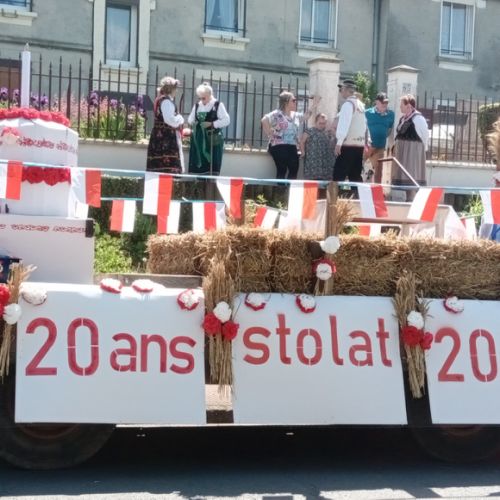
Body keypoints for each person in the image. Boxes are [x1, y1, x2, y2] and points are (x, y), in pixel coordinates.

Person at [187, 82, 230, 175]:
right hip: (199, 139)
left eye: (204, 98)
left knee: (212, 165)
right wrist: (196, 123)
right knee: (200, 166)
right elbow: (190, 119)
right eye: (200, 98)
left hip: (213, 139)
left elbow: (227, 120)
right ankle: (199, 183)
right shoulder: (197, 106)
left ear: (210, 94)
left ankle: (212, 183)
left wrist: (212, 124)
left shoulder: (217, 105)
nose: (202, 100)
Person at [261, 91, 305, 179]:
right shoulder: (277, 114)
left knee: (294, 169)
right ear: (286, 102)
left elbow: (306, 116)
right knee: (282, 169)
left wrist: (315, 104)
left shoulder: (295, 115)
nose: (295, 102)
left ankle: (289, 187)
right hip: (278, 145)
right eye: (293, 100)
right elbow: (264, 120)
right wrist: (269, 132)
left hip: (292, 145)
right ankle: (280, 187)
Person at [393, 94, 429, 200]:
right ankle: (408, 199)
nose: (400, 107)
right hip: (403, 153)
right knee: (405, 178)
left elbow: (425, 136)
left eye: (402, 104)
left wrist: (422, 152)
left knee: (411, 177)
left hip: (413, 153)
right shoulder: (403, 119)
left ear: (408, 106)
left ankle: (411, 200)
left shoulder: (418, 118)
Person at [146, 76, 184, 173]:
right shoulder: (166, 101)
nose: (176, 91)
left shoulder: (161, 99)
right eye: (175, 88)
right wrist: (180, 118)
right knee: (166, 165)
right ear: (171, 89)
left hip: (161, 134)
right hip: (165, 136)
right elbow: (169, 120)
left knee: (159, 165)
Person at [333, 79, 368, 184]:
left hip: (347, 145)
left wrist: (339, 142)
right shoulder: (361, 105)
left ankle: (334, 195)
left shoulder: (348, 104)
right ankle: (357, 194)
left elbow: (344, 124)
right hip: (359, 145)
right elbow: (365, 126)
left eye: (341, 89)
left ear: (345, 89)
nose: (340, 92)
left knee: (338, 175)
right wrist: (365, 142)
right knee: (355, 176)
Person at [365, 92, 395, 183]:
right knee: (358, 168)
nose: (385, 104)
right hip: (366, 147)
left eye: (386, 102)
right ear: (377, 102)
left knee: (378, 173)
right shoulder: (367, 113)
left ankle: (377, 190)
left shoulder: (391, 114)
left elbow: (389, 130)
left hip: (380, 147)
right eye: (383, 102)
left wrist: (382, 135)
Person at [299, 113, 335, 180]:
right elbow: (302, 141)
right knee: (312, 182)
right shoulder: (309, 131)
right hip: (312, 162)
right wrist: (303, 152)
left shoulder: (328, 132)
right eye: (320, 123)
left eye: (324, 123)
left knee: (324, 183)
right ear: (315, 122)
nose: (322, 125)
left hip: (325, 163)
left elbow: (333, 143)